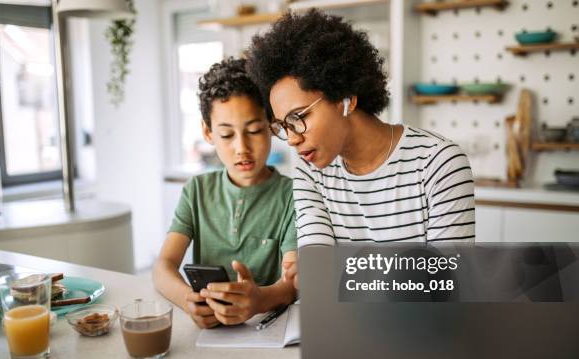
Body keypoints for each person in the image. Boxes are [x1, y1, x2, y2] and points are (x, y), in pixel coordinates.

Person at [246, 10, 475, 288]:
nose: (292, 138)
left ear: (346, 98)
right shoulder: (310, 171)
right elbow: (316, 270)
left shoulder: (439, 163)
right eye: (283, 126)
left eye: (299, 117)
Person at [153, 58, 297, 328]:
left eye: (254, 131)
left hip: (264, 331)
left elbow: (291, 285)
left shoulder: (293, 196)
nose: (242, 148)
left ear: (271, 126)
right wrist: (188, 300)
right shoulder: (196, 191)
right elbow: (163, 267)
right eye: (227, 135)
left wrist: (259, 300)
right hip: (208, 335)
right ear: (208, 133)